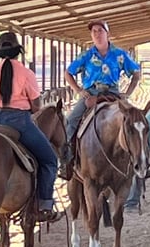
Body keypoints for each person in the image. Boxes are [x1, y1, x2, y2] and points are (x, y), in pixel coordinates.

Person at [0, 31, 63, 222]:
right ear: (18, 51)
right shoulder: (26, 73)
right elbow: (36, 105)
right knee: (49, 160)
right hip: (18, 120)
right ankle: (44, 205)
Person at [58, 19, 142, 180]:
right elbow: (68, 73)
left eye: (100, 31)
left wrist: (128, 93)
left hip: (113, 92)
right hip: (91, 93)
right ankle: (66, 159)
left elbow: (136, 73)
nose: (97, 34)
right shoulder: (86, 55)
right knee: (71, 120)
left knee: (135, 119)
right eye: (94, 31)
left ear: (107, 33)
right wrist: (79, 90)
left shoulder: (120, 54)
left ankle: (139, 158)